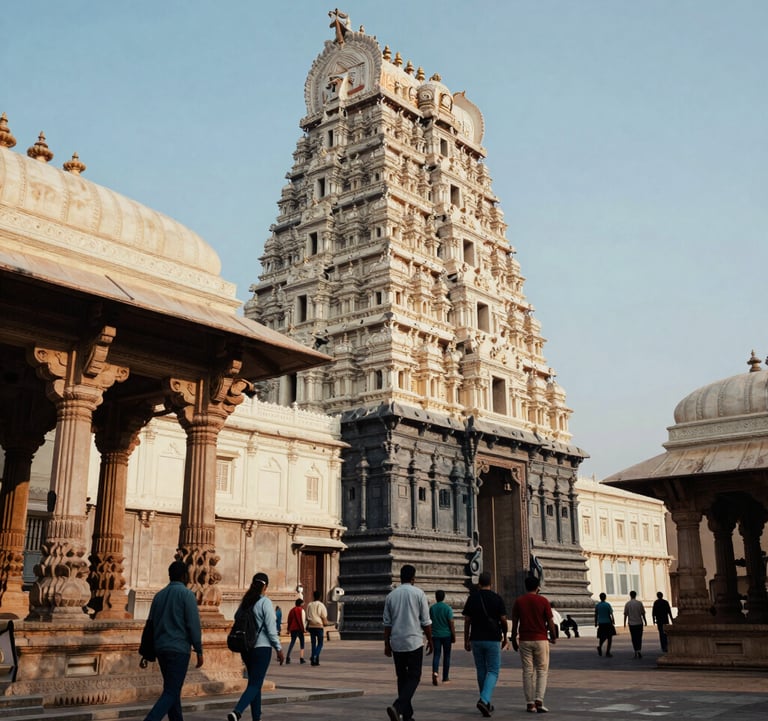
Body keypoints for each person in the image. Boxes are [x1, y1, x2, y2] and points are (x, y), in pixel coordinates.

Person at [140, 560, 203, 721]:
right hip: (179, 650)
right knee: (171, 692)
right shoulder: (187, 595)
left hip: (161, 649)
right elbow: (193, 624)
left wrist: (146, 651)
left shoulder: (159, 596)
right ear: (184, 576)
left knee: (172, 690)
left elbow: (150, 625)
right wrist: (199, 649)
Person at [226, 572, 284, 721]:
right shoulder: (265, 602)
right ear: (265, 586)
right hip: (262, 648)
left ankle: (256, 718)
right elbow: (271, 629)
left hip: (246, 648)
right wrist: (278, 648)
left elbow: (236, 618)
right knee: (256, 684)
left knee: (254, 684)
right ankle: (237, 711)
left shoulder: (246, 602)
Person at [383, 564, 433, 721]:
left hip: (397, 642)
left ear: (400, 577)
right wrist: (430, 640)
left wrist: (386, 644)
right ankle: (398, 706)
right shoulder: (419, 594)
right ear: (413, 578)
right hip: (414, 642)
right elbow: (425, 621)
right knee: (414, 676)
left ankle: (407, 715)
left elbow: (387, 623)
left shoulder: (391, 596)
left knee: (402, 677)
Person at [463, 571, 510, 717]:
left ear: (479, 583)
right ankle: (484, 700)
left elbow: (467, 620)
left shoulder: (472, 598)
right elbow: (503, 619)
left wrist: (466, 639)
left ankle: (486, 702)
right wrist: (505, 636)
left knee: (481, 670)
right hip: (492, 638)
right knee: (494, 671)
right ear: (491, 583)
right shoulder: (497, 598)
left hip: (476, 638)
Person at [511, 575, 556, 715]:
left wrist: (513, 638)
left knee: (527, 671)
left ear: (526, 587)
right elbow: (550, 621)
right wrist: (553, 636)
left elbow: (515, 621)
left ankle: (530, 703)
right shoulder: (543, 601)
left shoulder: (519, 601)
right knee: (542, 671)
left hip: (524, 639)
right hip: (541, 639)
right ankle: (539, 700)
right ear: (538, 587)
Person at [429, 589, 455, 685]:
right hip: (446, 635)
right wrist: (453, 635)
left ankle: (435, 672)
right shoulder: (448, 608)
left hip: (435, 635)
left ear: (436, 597)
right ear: (444, 597)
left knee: (436, 655)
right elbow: (451, 623)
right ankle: (445, 677)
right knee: (447, 656)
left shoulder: (432, 608)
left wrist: (429, 637)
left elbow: (429, 623)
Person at [305, 590, 329, 666]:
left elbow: (307, 616)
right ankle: (314, 656)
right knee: (320, 643)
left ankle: (315, 661)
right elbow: (324, 616)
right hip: (319, 626)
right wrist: (326, 623)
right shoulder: (321, 605)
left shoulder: (309, 605)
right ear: (320, 597)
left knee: (313, 643)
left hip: (311, 626)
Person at [624, 590, 647, 659]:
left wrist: (624, 623)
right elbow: (643, 613)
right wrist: (645, 621)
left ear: (630, 595)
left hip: (632, 624)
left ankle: (635, 651)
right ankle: (639, 650)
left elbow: (625, 614)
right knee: (639, 638)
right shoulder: (639, 603)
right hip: (639, 623)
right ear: (635, 595)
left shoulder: (628, 604)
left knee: (634, 638)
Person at [285, 597, 307, 664]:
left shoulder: (291, 610)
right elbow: (303, 621)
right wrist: (304, 629)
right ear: (300, 604)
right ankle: (301, 658)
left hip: (293, 629)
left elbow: (289, 620)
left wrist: (288, 629)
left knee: (292, 642)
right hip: (299, 629)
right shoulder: (301, 610)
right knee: (302, 643)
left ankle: (288, 657)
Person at [594, 592, 616, 657]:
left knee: (602, 637)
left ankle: (600, 646)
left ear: (600, 598)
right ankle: (607, 652)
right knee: (609, 637)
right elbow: (611, 614)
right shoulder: (607, 605)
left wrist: (595, 622)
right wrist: (613, 621)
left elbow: (596, 614)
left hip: (601, 623)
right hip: (608, 622)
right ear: (605, 597)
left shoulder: (597, 605)